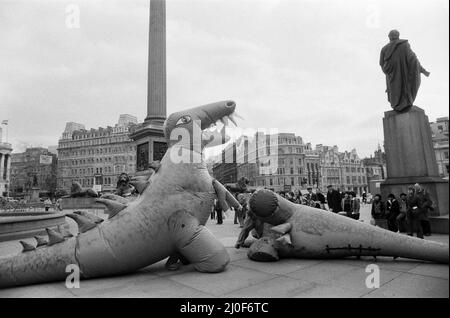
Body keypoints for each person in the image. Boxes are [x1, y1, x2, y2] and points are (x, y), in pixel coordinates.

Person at [379, 29, 430, 112]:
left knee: (394, 93)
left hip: (391, 78)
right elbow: (413, 60)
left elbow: (381, 64)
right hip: (404, 76)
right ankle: (404, 104)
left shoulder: (384, 49)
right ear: (398, 36)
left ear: (389, 37)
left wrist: (388, 72)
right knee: (405, 90)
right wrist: (423, 70)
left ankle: (397, 105)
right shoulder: (404, 45)